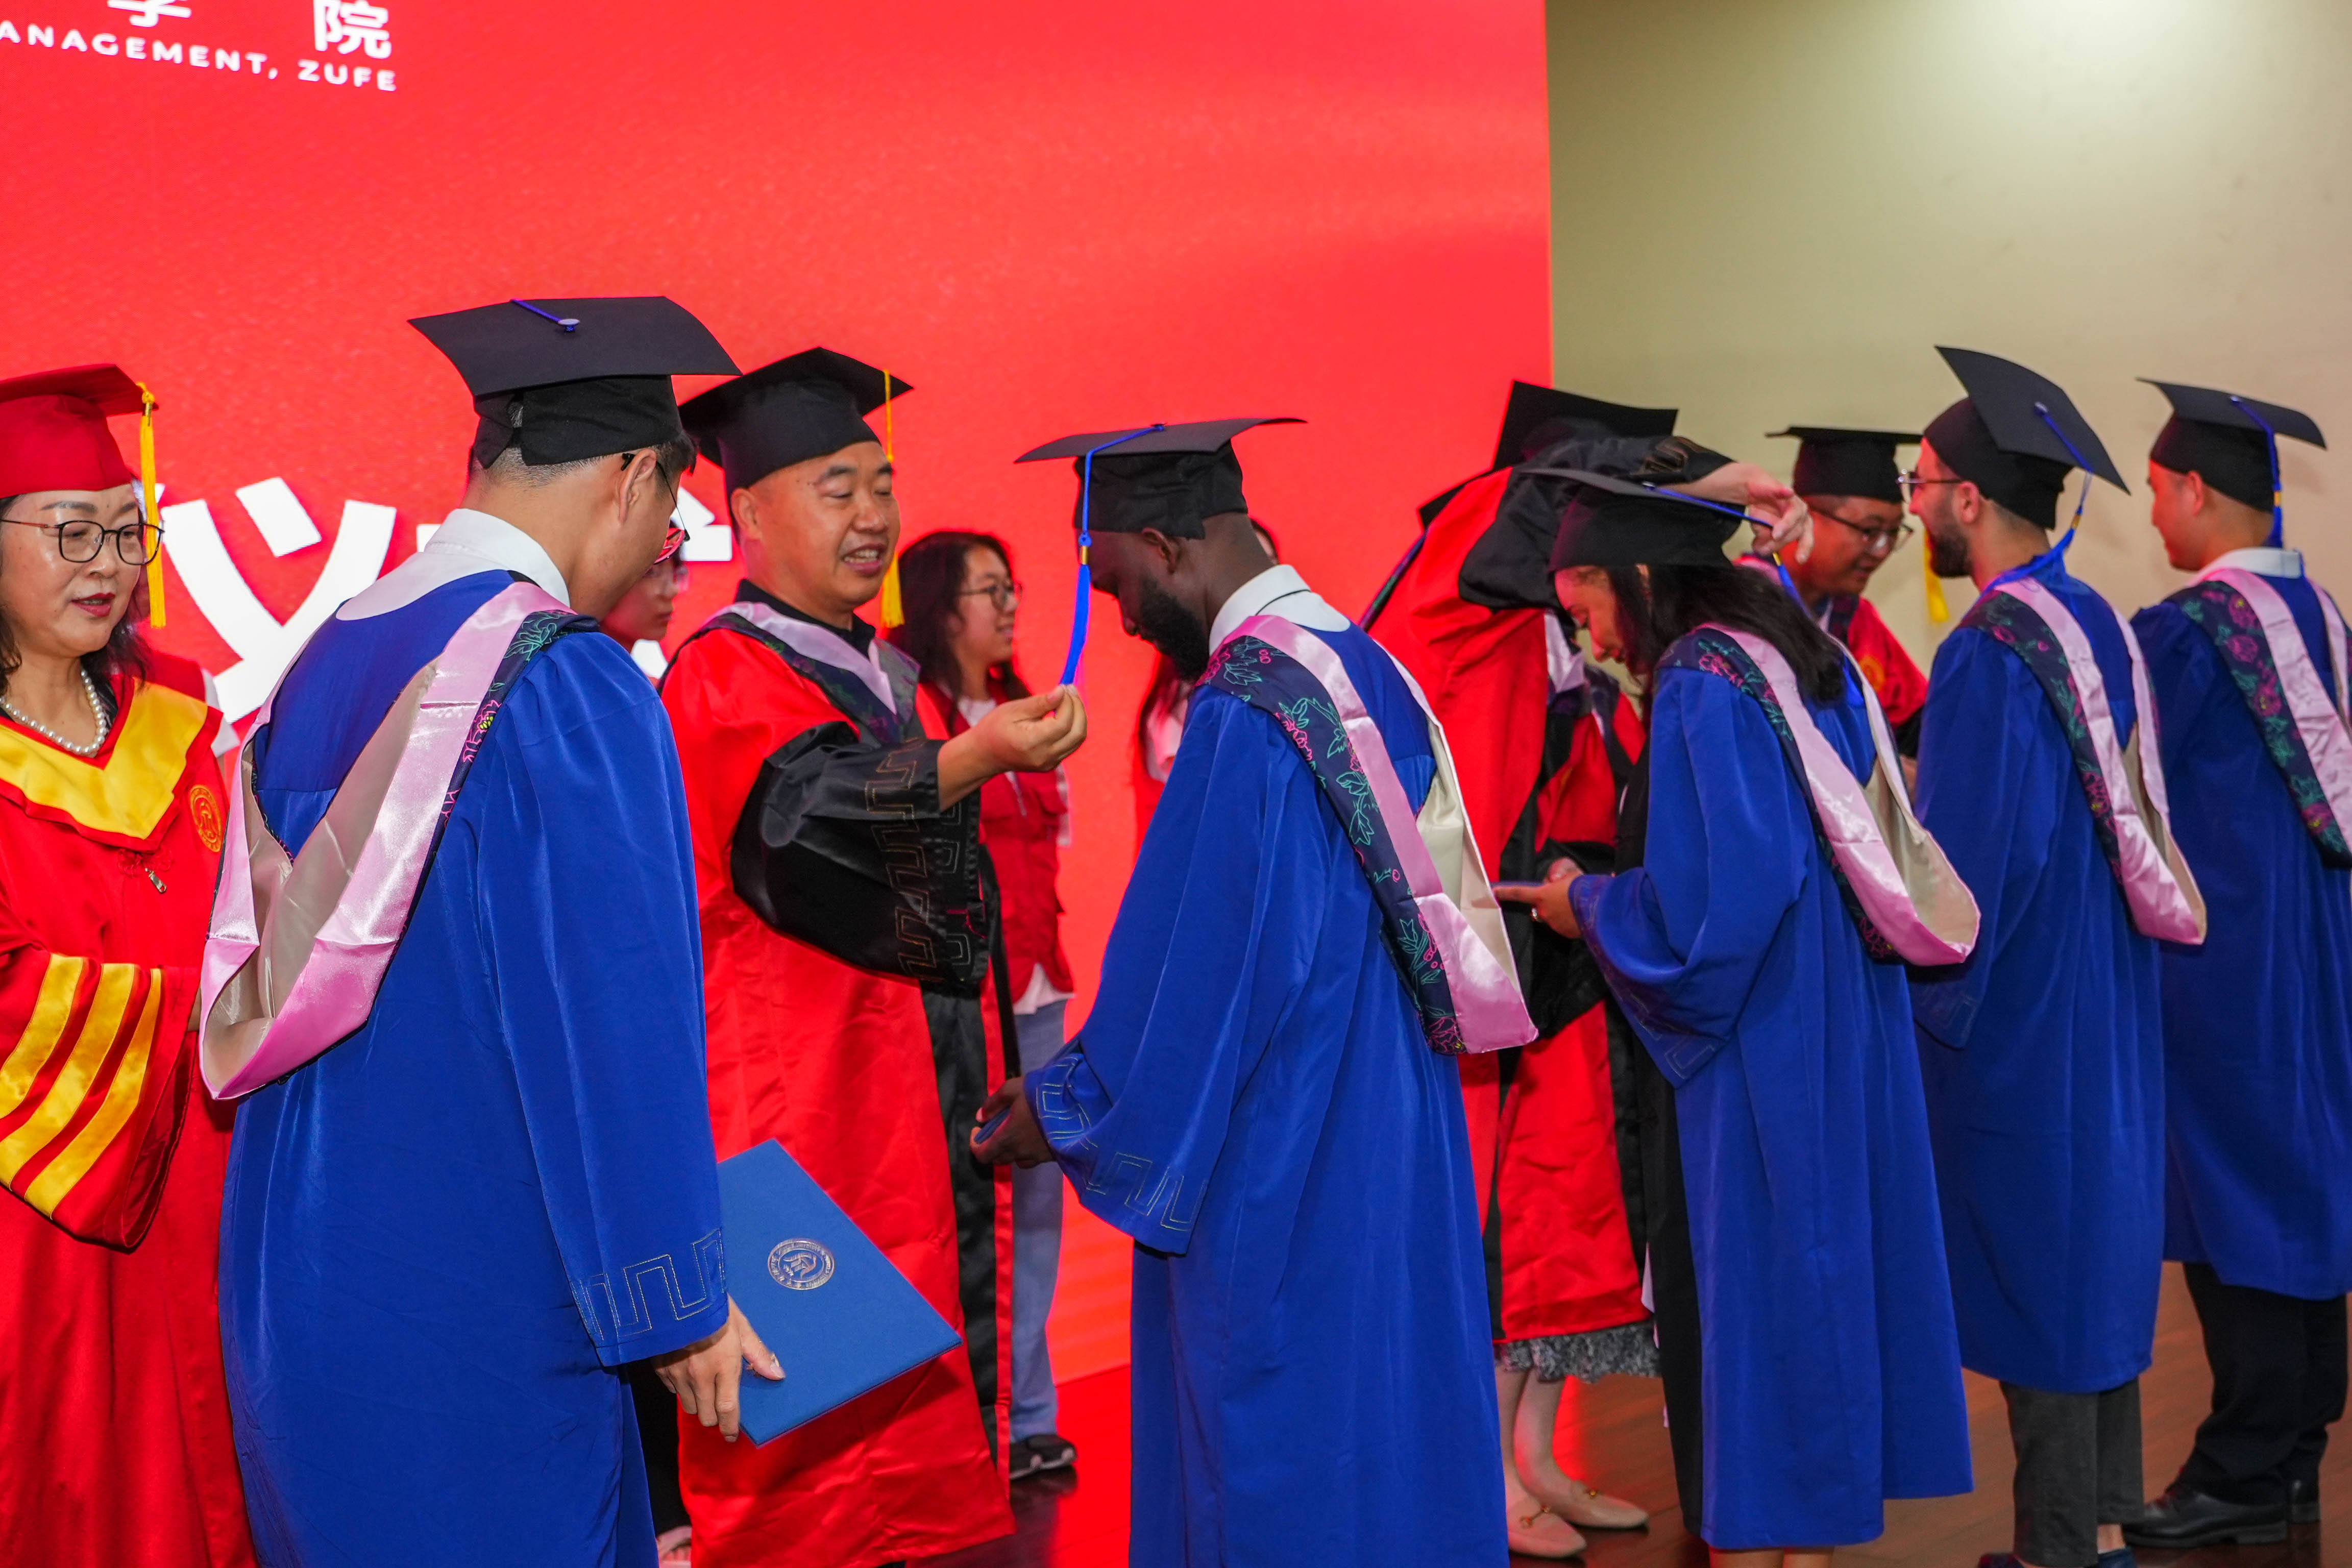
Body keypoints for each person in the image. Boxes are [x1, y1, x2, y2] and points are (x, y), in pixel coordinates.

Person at [211, 297, 775, 1567]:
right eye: (672, 522)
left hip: (299, 1292)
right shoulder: (565, 681)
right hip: (478, 1298)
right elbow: (612, 1024)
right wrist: (677, 1297)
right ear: (634, 476)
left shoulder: (324, 663)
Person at [977, 416, 1529, 1568]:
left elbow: (1202, 976)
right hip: (1391, 1128)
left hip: (1284, 1151)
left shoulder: (1246, 708)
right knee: (1385, 1429)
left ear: (1166, 546)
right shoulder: (1363, 667)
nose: (1123, 616)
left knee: (1280, 1450)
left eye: (1115, 581)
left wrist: (1062, 1107)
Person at [1501, 471, 1975, 1565]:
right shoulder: (1806, 658)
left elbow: (1723, 910)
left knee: (1762, 1323)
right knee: (1814, 1312)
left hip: (1762, 1053)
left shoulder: (1702, 682)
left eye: (1586, 604)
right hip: (1839, 1028)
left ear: (1636, 574)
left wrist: (1588, 904)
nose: (1591, 637)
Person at [663, 349, 1086, 1568]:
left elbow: (937, 897)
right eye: (835, 487)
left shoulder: (883, 673)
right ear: (749, 514)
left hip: (900, 1106)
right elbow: (805, 819)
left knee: (906, 1453)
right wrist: (974, 755)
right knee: (802, 1466)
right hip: (797, 1114)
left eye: (882, 484)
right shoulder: (725, 669)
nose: (873, 516)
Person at [1369, 381, 1767, 1556]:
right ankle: (1478, 1474)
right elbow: (1537, 497)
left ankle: (1536, 1456)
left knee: (1564, 1206)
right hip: (1468, 951)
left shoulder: (1555, 632)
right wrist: (1699, 480)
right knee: (1495, 1215)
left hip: (1557, 947)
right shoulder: (1456, 582)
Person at [1903, 349, 2204, 1568]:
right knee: (2095, 1256)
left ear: (1970, 497)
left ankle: (2058, 1546)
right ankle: (2107, 1522)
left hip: (2024, 1004)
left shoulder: (1989, 649)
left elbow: (1976, 865)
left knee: (2039, 1265)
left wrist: (1931, 1000)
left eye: (1923, 483)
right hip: (2108, 988)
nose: (1915, 505)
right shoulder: (2098, 623)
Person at [0, 364, 254, 1568]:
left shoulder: (187, 718)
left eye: (123, 529)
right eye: (68, 531)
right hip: (41, 1208)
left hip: (215, 1183)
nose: (104, 562)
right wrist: (204, 1013)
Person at [2123, 381, 2348, 1548]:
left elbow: (2122, 779)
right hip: (2316, 957)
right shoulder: (2322, 618)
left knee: (2237, 1203)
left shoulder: (2190, 632)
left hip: (2228, 968)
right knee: (2304, 1187)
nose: (2155, 514)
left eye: (2158, 491)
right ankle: (2294, 1451)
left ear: (2196, 490)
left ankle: (2245, 1463)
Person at [886, 527, 1081, 1480]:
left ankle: (1028, 1411)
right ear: (939, 605)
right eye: (987, 590)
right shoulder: (908, 712)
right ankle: (965, 1417)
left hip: (1038, 991)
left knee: (1037, 1205)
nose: (1007, 607)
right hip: (960, 1002)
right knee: (956, 1208)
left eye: (1012, 588)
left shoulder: (1028, 708)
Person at [1755, 427, 1930, 754]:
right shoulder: (1742, 606)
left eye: (1893, 533)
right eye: (1869, 531)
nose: (1881, 551)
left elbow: (1917, 721)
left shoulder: (1856, 619)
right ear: (1805, 516)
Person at [1132, 517, 1278, 842]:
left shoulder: (1283, 672)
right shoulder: (1183, 704)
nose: (1261, 581)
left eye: (1270, 566)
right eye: (1247, 568)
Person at [601, 550, 690, 678]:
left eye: (675, 572)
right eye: (650, 572)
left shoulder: (650, 687)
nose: (672, 591)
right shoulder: (577, 684)